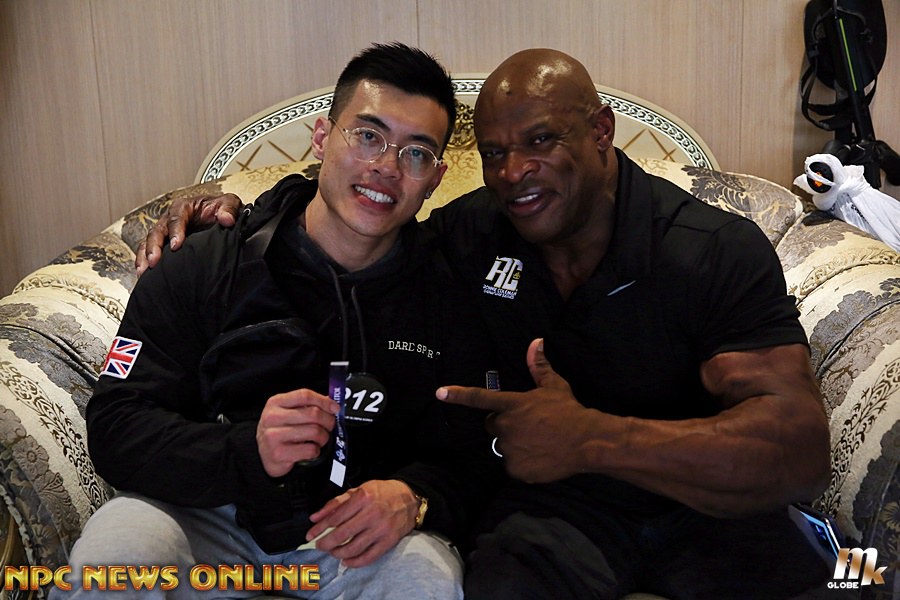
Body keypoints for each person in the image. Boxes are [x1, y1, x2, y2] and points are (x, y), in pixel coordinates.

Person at [139, 49, 840, 599]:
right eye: (496, 153)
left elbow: (801, 449)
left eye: (541, 141)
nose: (513, 173)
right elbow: (356, 220)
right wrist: (225, 214)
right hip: (556, 517)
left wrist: (594, 438)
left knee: (846, 580)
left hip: (710, 507)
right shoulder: (474, 233)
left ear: (601, 132)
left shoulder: (711, 249)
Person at [56, 43, 503, 600]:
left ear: (435, 177)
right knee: (116, 558)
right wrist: (247, 449)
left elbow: (480, 453)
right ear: (322, 137)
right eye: (367, 136)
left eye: (415, 153)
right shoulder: (206, 262)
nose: (386, 167)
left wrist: (415, 496)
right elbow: (117, 426)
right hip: (201, 514)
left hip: (358, 533)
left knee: (425, 579)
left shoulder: (451, 291)